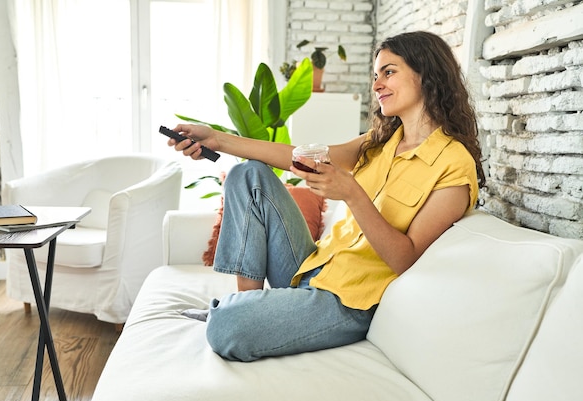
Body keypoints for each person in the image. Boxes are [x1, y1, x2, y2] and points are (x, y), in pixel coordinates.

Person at [168, 31, 485, 362]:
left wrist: (352, 193)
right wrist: (217, 139)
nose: (377, 85)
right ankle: (250, 304)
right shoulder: (379, 141)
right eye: (376, 76)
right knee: (248, 175)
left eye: (389, 72)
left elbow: (407, 259)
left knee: (225, 329)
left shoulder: (454, 164)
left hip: (348, 302)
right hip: (311, 269)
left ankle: (240, 314)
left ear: (427, 74)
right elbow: (298, 156)